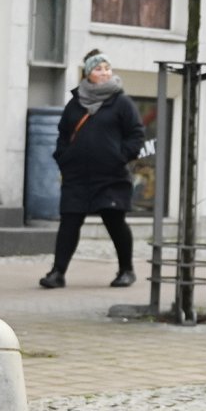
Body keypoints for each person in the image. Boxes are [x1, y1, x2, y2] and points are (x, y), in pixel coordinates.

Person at [40, 50, 145, 288]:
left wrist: (120, 157)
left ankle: (126, 270)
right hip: (77, 176)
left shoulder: (122, 102)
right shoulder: (75, 104)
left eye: (107, 68)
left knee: (115, 223)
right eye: (99, 69)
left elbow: (136, 135)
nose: (105, 72)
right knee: (69, 223)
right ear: (88, 74)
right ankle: (57, 273)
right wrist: (64, 158)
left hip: (111, 176)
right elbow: (63, 135)